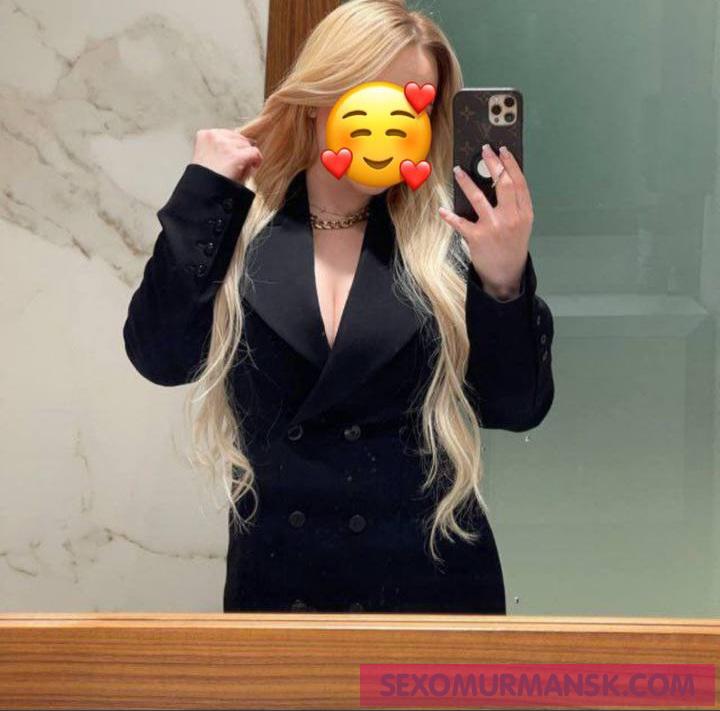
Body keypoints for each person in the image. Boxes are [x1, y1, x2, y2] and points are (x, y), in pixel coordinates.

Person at [122, 0, 555, 614]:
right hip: (281, 588)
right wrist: (204, 190)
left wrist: (504, 278)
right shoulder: (239, 230)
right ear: (320, 97)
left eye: (414, 105)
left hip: (429, 591)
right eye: (373, 97)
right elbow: (162, 358)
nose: (392, 123)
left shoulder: (452, 243)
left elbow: (514, 408)